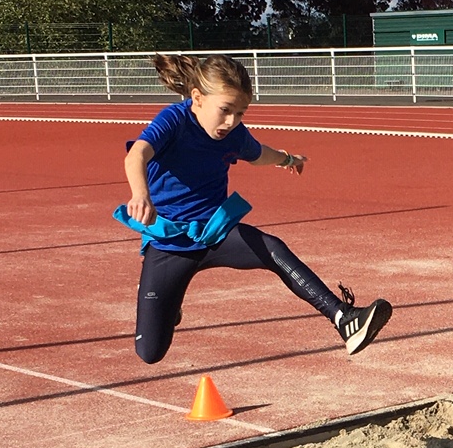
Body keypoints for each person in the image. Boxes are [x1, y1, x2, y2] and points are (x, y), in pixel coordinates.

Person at [123, 52, 392, 364]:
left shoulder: (233, 133)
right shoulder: (174, 120)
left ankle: (344, 318)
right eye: (225, 110)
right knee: (150, 353)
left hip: (214, 230)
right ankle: (169, 303)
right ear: (197, 98)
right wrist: (141, 195)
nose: (231, 122)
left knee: (272, 249)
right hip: (170, 242)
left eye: (240, 113)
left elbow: (257, 153)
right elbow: (137, 155)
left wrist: (286, 159)